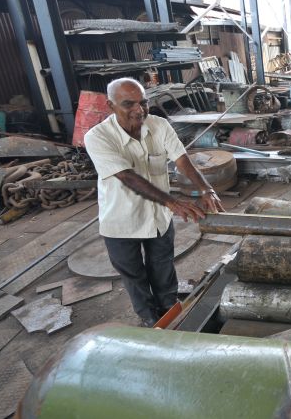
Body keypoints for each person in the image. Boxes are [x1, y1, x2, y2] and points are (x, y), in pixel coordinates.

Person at [84, 78, 225, 327]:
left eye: (143, 103)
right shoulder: (97, 137)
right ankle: (148, 316)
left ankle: (168, 306)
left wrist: (206, 188)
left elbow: (182, 160)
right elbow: (126, 176)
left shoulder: (158, 125)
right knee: (134, 274)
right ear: (110, 105)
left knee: (162, 265)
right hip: (121, 220)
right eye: (129, 104)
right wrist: (172, 202)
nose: (139, 110)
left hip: (158, 217)